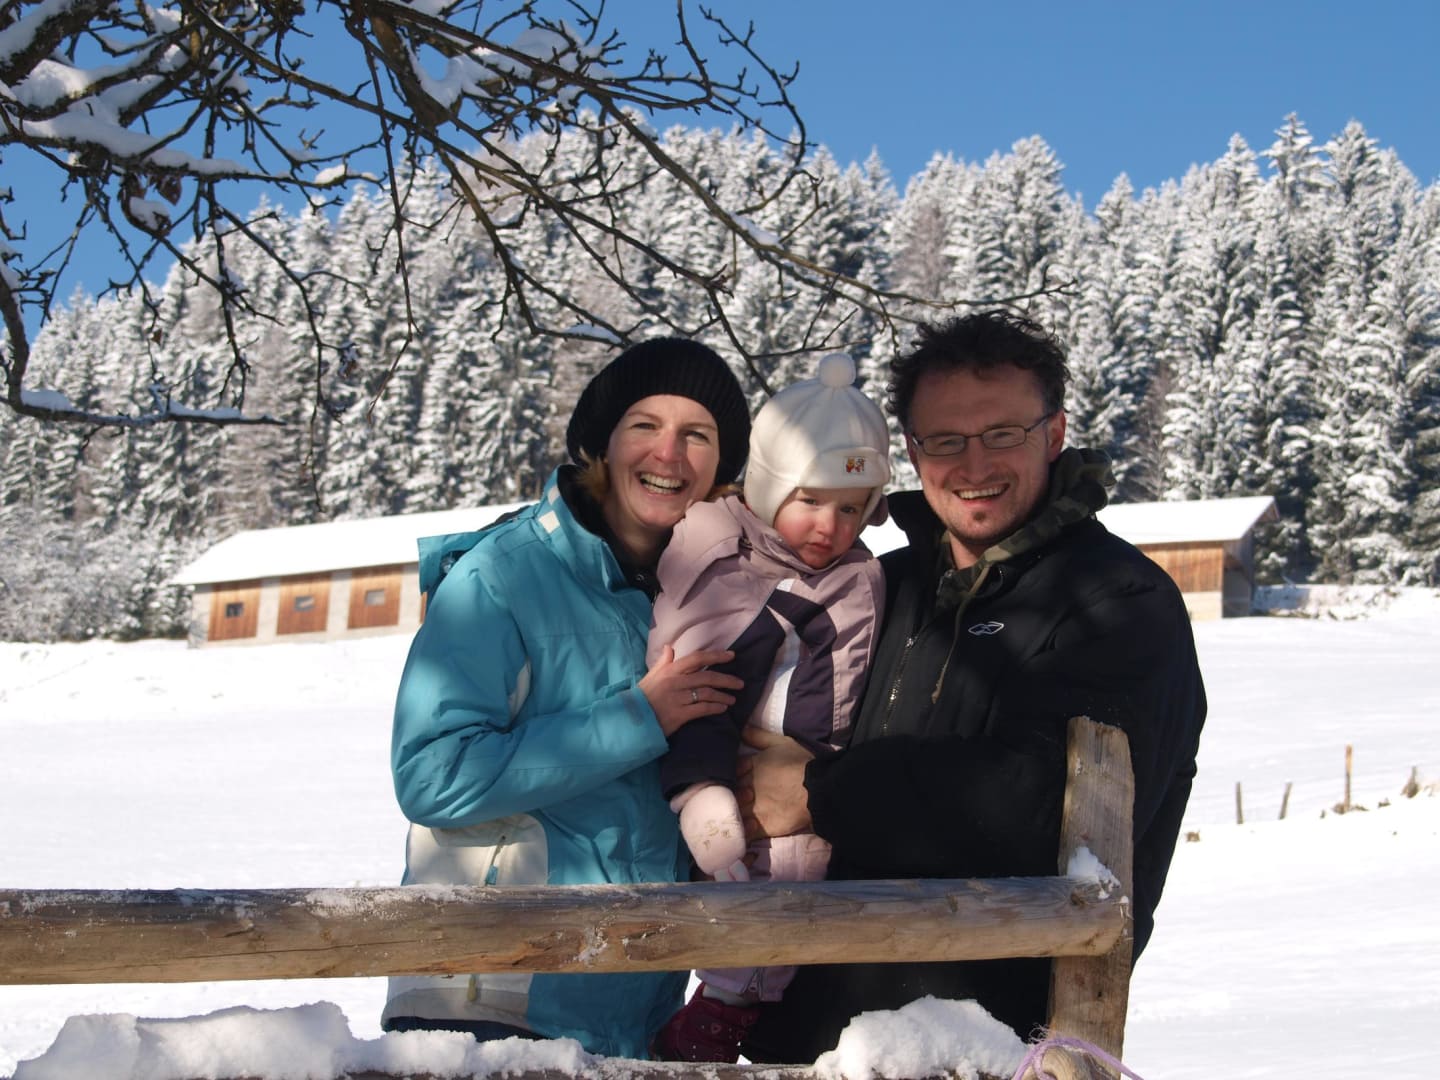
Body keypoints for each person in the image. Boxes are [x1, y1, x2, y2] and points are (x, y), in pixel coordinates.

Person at [735, 310, 1208, 1063]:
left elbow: (1039, 810)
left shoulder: (1117, 603)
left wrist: (817, 791)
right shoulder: (879, 588)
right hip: (812, 1039)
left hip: (995, 1051)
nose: (973, 464)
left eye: (1002, 434)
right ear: (913, 453)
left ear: (1054, 434)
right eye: (946, 441)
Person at [382, 338, 751, 1059]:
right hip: (487, 1001)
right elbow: (431, 775)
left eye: (697, 435)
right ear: (602, 445)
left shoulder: (707, 595)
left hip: (630, 1011)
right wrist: (639, 717)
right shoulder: (503, 576)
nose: (669, 454)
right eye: (645, 425)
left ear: (721, 467)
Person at [644, 353, 890, 1062]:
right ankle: (719, 1016)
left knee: (782, 889)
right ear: (769, 486)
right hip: (743, 780)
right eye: (811, 500)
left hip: (807, 783)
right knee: (770, 892)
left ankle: (730, 1011)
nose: (830, 526)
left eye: (852, 508)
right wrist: (698, 787)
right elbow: (701, 677)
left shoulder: (853, 574)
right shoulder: (729, 560)